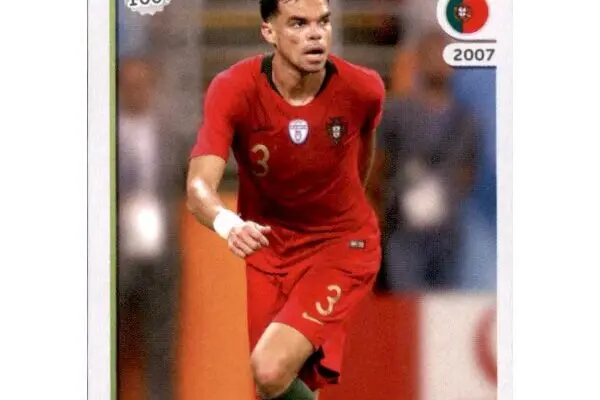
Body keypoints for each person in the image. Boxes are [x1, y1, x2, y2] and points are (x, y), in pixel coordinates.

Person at [185, 1, 385, 399]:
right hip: (268, 248)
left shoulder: (362, 89)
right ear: (269, 32)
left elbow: (362, 163)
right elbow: (198, 188)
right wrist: (229, 224)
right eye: (298, 23)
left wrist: (339, 220)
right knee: (271, 387)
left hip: (339, 247)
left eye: (323, 22)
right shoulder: (234, 89)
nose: (315, 34)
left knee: (270, 367)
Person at [369, 30, 479, 291]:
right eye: (432, 54)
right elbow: (375, 166)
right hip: (403, 233)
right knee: (405, 303)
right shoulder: (396, 114)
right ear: (419, 59)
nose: (439, 62)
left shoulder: (466, 120)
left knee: (445, 306)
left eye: (445, 55)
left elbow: (468, 171)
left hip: (447, 235)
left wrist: (444, 197)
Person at [117, 57, 185, 400]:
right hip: (115, 258)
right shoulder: (99, 135)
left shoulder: (169, 135)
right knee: (108, 344)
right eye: (130, 84)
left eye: (142, 84)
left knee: (161, 349)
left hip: (161, 256)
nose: (137, 91)